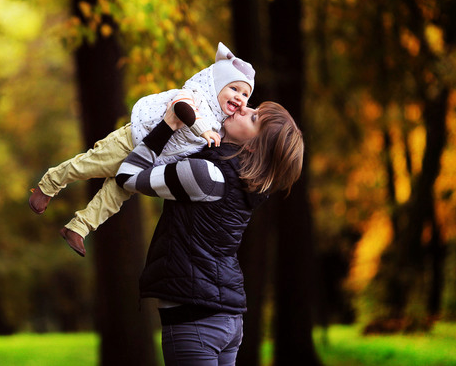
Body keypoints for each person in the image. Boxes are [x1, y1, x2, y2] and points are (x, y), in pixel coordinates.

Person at [115, 100, 304, 365]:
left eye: (253, 118)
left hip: (195, 321)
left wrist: (168, 125)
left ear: (252, 145)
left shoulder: (206, 175)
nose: (243, 108)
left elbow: (128, 177)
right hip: (226, 317)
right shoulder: (241, 183)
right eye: (253, 108)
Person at [28, 42, 256, 256]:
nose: (240, 97)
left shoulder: (221, 124)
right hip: (133, 140)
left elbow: (239, 138)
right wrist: (202, 129)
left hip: (149, 161)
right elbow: (181, 108)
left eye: (245, 94)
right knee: (88, 166)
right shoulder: (196, 94)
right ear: (215, 84)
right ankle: (49, 184)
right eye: (234, 88)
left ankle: (78, 228)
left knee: (113, 197)